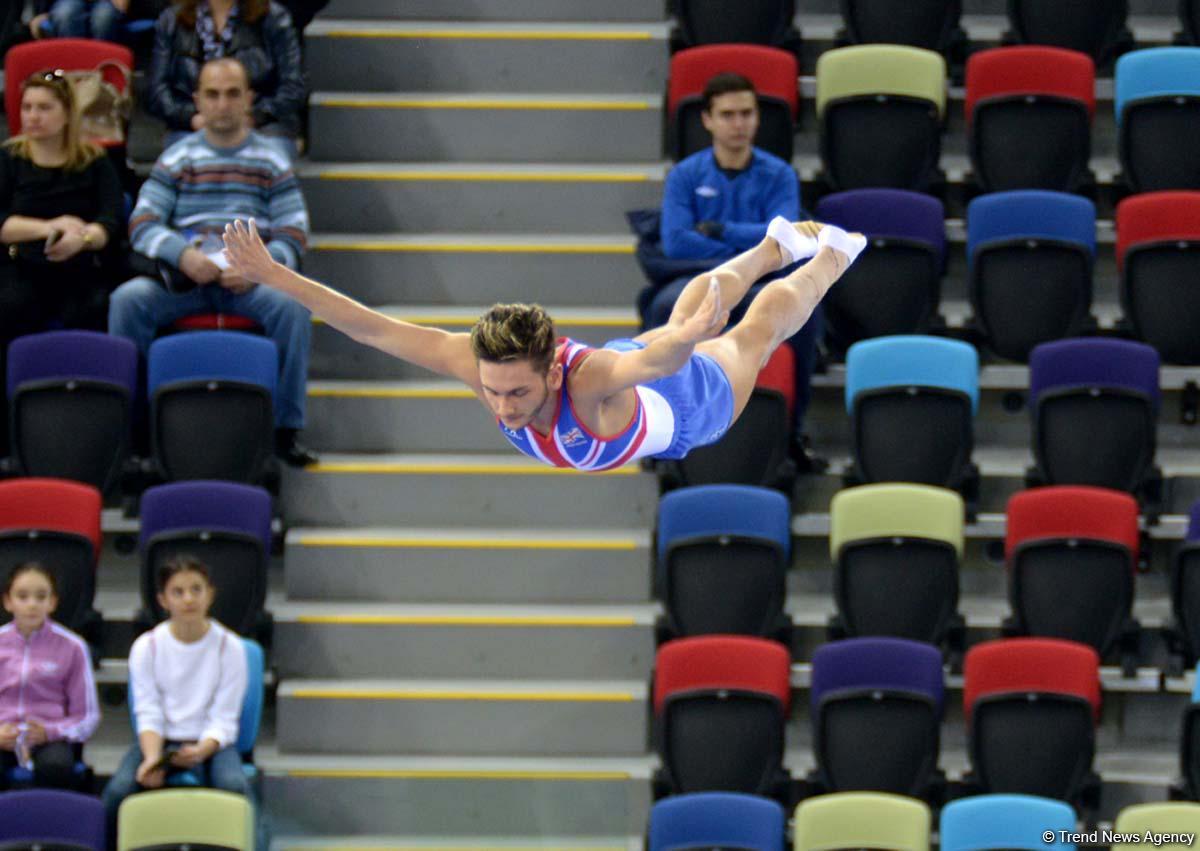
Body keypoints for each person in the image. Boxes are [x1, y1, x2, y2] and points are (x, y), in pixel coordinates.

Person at [223, 214, 866, 471]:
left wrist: (688, 343)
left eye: (517, 392)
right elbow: (371, 326)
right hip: (634, 369)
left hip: (688, 405)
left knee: (749, 330)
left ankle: (832, 256)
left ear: (554, 374)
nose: (500, 406)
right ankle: (772, 245)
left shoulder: (585, 381)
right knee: (695, 302)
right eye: (495, 391)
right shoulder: (476, 366)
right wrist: (274, 275)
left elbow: (654, 360)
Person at [110, 56, 315, 466]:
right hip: (187, 277)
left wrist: (260, 266)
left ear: (248, 100)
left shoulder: (272, 160)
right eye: (213, 94)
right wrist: (181, 255)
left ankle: (284, 430)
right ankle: (134, 433)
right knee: (127, 301)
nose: (222, 103)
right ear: (197, 100)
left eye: (232, 94)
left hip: (249, 280)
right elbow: (143, 222)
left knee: (293, 308)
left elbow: (294, 233)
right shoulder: (178, 157)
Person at [647, 71, 824, 445]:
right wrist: (755, 244)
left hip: (762, 280)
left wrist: (721, 231)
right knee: (662, 307)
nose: (739, 123)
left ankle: (796, 428)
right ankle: (657, 424)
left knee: (807, 317)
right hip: (698, 279)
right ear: (707, 120)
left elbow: (785, 240)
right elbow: (678, 244)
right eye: (727, 114)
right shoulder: (684, 175)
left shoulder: (779, 175)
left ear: (758, 118)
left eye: (747, 113)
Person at [0, 68, 125, 453]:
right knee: (10, 307)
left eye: (44, 107)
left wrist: (82, 238)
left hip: (79, 266)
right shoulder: (9, 159)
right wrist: (48, 227)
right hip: (20, 264)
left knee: (95, 310)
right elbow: (1, 225)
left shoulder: (95, 161)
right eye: (27, 107)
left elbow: (109, 223)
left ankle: (89, 433)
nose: (32, 116)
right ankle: (10, 432)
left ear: (67, 114)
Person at [101, 555, 249, 842]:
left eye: (196, 589)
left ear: (210, 595)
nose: (188, 599)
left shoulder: (229, 647)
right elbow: (148, 710)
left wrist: (203, 749)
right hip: (162, 741)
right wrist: (154, 759)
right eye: (178, 592)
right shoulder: (148, 646)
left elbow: (225, 715)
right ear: (163, 600)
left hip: (212, 743)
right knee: (119, 791)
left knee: (234, 786)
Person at [147, 0, 305, 157]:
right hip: (190, 128)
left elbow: (292, 87)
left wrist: (254, 117)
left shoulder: (274, 17)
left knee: (265, 161)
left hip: (264, 127)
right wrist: (192, 118)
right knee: (187, 161)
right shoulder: (172, 20)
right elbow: (157, 92)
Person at [0, 562, 101, 790]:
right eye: (22, 596)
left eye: (40, 596)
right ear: (8, 601)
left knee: (56, 768)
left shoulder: (73, 646)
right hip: (3, 733)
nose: (32, 604)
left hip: (49, 737)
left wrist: (51, 732)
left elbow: (87, 716)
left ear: (52, 602)